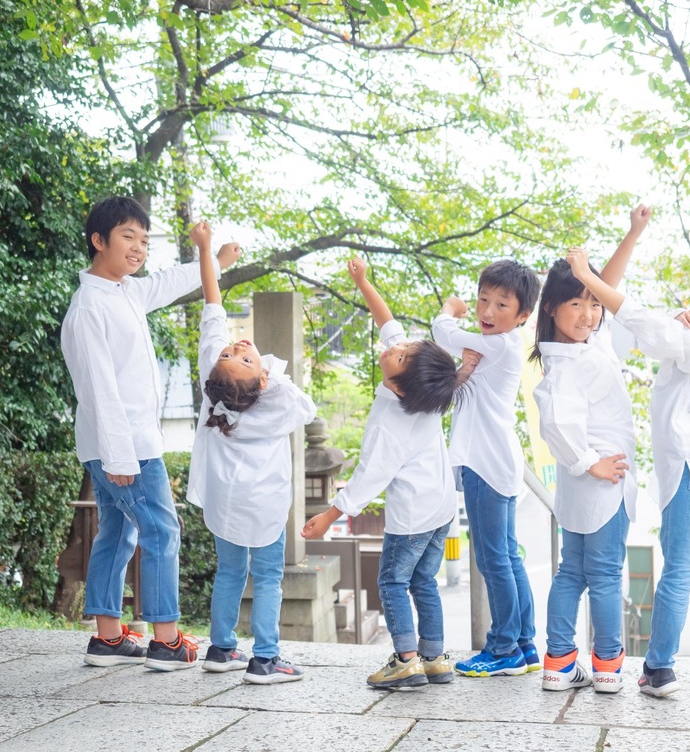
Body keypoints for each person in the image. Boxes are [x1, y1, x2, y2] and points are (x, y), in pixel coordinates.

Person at [566, 233, 690, 703]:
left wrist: (587, 277)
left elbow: (643, 325)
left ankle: (658, 669)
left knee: (679, 570)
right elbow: (660, 340)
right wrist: (679, 317)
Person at [60, 196, 240, 670]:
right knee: (162, 530)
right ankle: (165, 640)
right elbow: (100, 392)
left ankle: (108, 638)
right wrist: (120, 459)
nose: (139, 249)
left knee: (116, 533)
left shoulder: (125, 292)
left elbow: (167, 283)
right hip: (125, 447)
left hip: (116, 445)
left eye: (143, 239)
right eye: (127, 237)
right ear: (99, 241)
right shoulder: (89, 309)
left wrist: (212, 262)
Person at [301, 257, 471, 691]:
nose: (395, 348)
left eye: (400, 355)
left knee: (393, 580)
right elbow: (388, 324)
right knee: (423, 581)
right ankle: (434, 658)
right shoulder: (422, 390)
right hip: (441, 508)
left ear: (399, 385)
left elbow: (369, 477)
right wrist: (362, 282)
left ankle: (406, 661)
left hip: (413, 516)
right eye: (403, 348)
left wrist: (328, 516)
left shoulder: (390, 420)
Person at [184, 221, 318, 685]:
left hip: (224, 502)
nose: (238, 349)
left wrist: (207, 252)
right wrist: (267, 374)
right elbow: (306, 405)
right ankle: (265, 657)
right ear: (261, 383)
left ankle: (221, 648)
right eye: (239, 359)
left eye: (233, 353)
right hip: (262, 506)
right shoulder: (276, 401)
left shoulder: (210, 389)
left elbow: (212, 306)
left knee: (229, 572)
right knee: (267, 577)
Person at [531, 204, 651, 694]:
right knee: (602, 577)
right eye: (576, 304)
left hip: (584, 491)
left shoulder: (585, 344)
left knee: (572, 574)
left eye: (592, 304)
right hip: (601, 484)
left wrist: (633, 233)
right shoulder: (565, 364)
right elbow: (556, 424)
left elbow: (608, 286)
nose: (589, 313)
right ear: (552, 310)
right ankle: (606, 667)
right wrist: (590, 463)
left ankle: (559, 665)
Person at [430, 258, 542, 678]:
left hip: (485, 463)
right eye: (482, 300)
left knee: (494, 559)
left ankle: (503, 649)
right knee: (507, 558)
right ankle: (525, 644)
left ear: (522, 316)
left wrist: (449, 308)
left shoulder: (499, 343)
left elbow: (441, 332)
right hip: (499, 459)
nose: (487, 312)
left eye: (501, 305)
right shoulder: (495, 346)